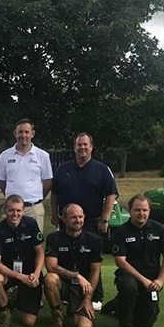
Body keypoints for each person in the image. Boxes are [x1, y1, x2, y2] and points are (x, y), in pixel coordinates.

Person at [50, 132, 118, 310]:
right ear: (74, 147)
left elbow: (111, 194)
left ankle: (95, 296)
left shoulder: (102, 169)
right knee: (66, 256)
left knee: (91, 259)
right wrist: (53, 213)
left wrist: (105, 218)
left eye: (85, 144)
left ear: (91, 147)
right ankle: (67, 293)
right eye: (79, 144)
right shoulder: (63, 169)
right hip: (66, 221)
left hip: (91, 221)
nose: (82, 147)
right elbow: (54, 194)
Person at [108, 194, 164, 327]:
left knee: (146, 323)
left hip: (152, 279)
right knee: (128, 286)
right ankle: (125, 325)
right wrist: (143, 280)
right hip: (129, 275)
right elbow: (120, 261)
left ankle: (118, 305)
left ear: (149, 211)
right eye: (137, 210)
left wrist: (160, 280)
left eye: (145, 210)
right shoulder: (121, 232)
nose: (141, 214)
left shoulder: (160, 229)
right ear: (130, 211)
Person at [43, 203, 102, 327]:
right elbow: (51, 266)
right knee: (50, 278)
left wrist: (87, 299)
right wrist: (76, 276)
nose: (78, 220)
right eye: (73, 217)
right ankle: (57, 314)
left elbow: (95, 271)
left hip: (84, 288)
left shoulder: (94, 240)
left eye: (80, 216)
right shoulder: (54, 238)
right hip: (64, 285)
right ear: (64, 218)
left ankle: (80, 307)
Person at [0, 195, 45, 327]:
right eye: (11, 210)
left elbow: (40, 252)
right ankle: (5, 312)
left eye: (18, 210)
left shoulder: (31, 224)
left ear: (23, 210)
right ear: (4, 210)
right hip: (9, 274)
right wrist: (20, 277)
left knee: (29, 322)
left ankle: (16, 299)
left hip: (30, 274)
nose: (15, 214)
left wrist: (36, 275)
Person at [0, 118, 53, 231]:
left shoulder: (43, 156)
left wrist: (36, 198)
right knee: (9, 243)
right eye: (20, 132)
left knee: (35, 245)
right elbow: (2, 182)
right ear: (15, 133)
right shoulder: (5, 156)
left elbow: (47, 183)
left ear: (32, 133)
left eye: (27, 132)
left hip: (33, 208)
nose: (23, 135)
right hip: (11, 209)